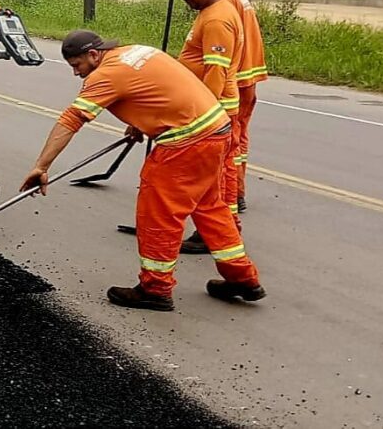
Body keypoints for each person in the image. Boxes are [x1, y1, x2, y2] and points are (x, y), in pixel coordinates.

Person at [20, 30, 265, 312]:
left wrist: (42, 166)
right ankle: (242, 278)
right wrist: (142, 121)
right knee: (210, 207)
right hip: (216, 130)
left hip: (186, 143)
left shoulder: (105, 76)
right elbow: (156, 89)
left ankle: (155, 289)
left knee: (158, 215)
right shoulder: (136, 50)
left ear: (93, 55)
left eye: (77, 65)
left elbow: (72, 119)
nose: (77, 73)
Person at [171, 0, 245, 254]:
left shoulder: (217, 19)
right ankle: (220, 228)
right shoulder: (210, 12)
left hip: (217, 106)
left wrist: (205, 111)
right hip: (214, 104)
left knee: (217, 173)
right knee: (217, 171)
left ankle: (219, 231)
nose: (185, 0)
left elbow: (216, 70)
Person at [190, 0, 267, 213]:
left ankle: (234, 194)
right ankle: (236, 193)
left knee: (231, 142)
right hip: (246, 71)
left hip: (235, 75)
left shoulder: (226, 1)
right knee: (239, 138)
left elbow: (220, 52)